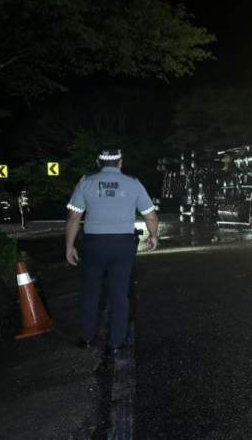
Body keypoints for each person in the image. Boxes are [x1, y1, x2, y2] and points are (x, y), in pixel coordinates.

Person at [64, 149, 159, 355]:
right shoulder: (133, 183)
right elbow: (151, 216)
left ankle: (87, 338)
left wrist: (69, 246)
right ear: (120, 163)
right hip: (122, 245)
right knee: (119, 293)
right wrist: (153, 236)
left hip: (93, 245)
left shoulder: (85, 183)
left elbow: (73, 218)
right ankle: (116, 342)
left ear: (99, 162)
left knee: (90, 292)